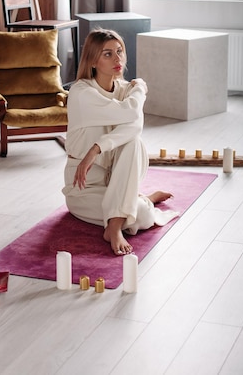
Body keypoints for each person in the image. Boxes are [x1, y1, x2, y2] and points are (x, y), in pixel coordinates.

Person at [62, 28, 179, 255]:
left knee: (133, 141)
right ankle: (143, 199)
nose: (118, 59)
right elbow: (131, 111)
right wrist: (142, 87)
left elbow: (135, 124)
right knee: (142, 216)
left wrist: (97, 148)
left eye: (119, 52)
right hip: (85, 189)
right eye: (108, 54)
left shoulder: (127, 89)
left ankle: (113, 226)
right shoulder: (81, 93)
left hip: (118, 179)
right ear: (93, 60)